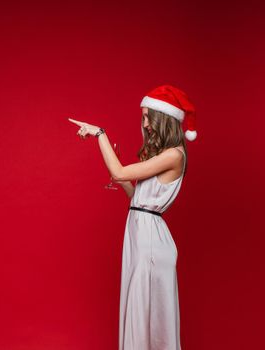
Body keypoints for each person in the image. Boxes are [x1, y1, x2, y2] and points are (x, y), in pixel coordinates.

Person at [69, 85, 197, 350]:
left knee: (148, 312)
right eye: (144, 117)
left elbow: (119, 173)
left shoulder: (174, 155)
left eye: (149, 116)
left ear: (164, 119)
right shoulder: (163, 154)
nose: (146, 123)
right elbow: (136, 197)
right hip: (141, 232)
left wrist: (100, 134)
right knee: (139, 308)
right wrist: (116, 167)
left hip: (151, 240)